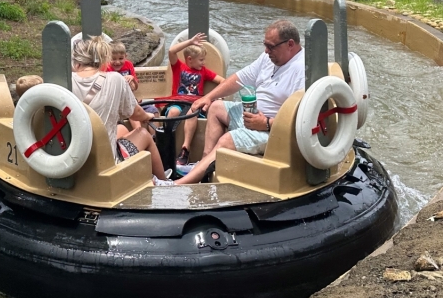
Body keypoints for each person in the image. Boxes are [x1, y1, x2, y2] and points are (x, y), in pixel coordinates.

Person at [175, 20, 306, 185]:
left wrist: (266, 123)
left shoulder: (302, 70)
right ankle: (203, 167)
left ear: (290, 44)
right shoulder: (268, 58)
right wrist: (208, 97)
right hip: (255, 118)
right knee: (215, 107)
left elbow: (301, 121)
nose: (266, 51)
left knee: (227, 139)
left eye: (271, 46)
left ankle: (179, 184)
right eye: (265, 45)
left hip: (275, 133)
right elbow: (239, 79)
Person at [70, 37, 167, 184]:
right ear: (103, 60)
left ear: (76, 63)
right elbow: (136, 113)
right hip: (106, 163)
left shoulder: (65, 81)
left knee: (121, 128)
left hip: (74, 158)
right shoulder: (115, 79)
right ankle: (163, 181)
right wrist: (147, 115)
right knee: (143, 133)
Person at [164, 33, 225, 171]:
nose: (203, 63)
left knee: (192, 112)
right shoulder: (179, 67)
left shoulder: (203, 71)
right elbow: (171, 51)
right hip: (178, 102)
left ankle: (185, 149)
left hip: (194, 105)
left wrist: (217, 96)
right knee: (173, 112)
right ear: (189, 59)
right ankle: (166, 146)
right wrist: (190, 42)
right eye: (201, 60)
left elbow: (222, 81)